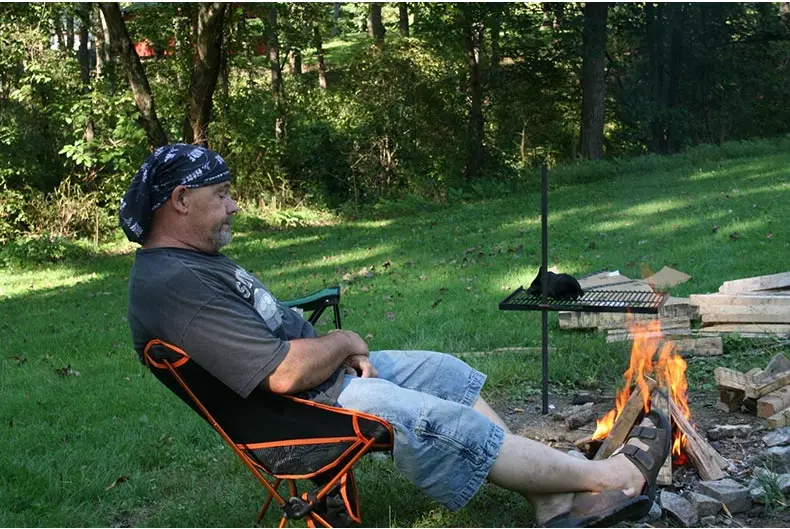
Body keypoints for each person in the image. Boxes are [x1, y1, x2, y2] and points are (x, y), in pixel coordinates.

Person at [122, 144, 671, 528]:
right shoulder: (173, 285)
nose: (234, 205)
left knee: (444, 373)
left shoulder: (189, 263)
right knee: (447, 422)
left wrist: (340, 354)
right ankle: (606, 477)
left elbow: (270, 344)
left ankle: (551, 504)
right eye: (222, 194)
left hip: (320, 385)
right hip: (299, 415)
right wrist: (346, 342)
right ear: (181, 200)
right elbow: (282, 373)